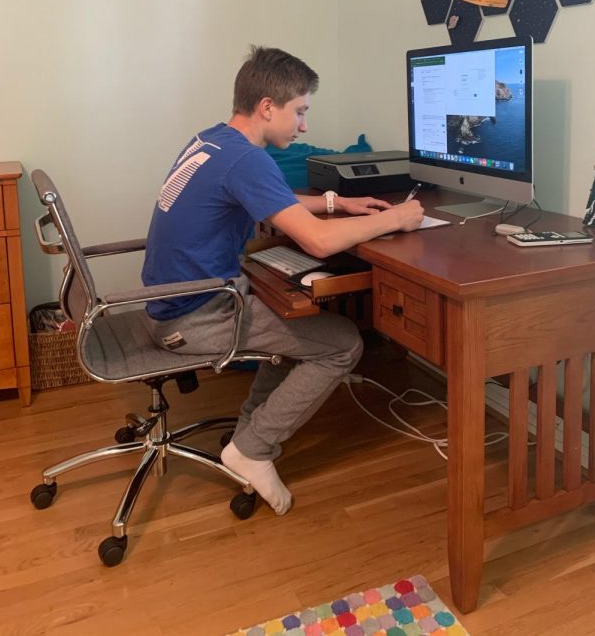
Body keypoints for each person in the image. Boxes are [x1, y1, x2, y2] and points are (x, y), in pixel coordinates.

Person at [142, 46, 424, 515]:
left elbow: (267, 197)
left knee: (287, 323)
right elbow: (316, 243)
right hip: (194, 317)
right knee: (342, 344)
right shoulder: (247, 160)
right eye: (300, 111)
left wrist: (337, 203)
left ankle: (250, 434)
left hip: (170, 302)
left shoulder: (213, 141)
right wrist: (395, 217)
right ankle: (252, 449)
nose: (304, 125)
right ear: (267, 107)